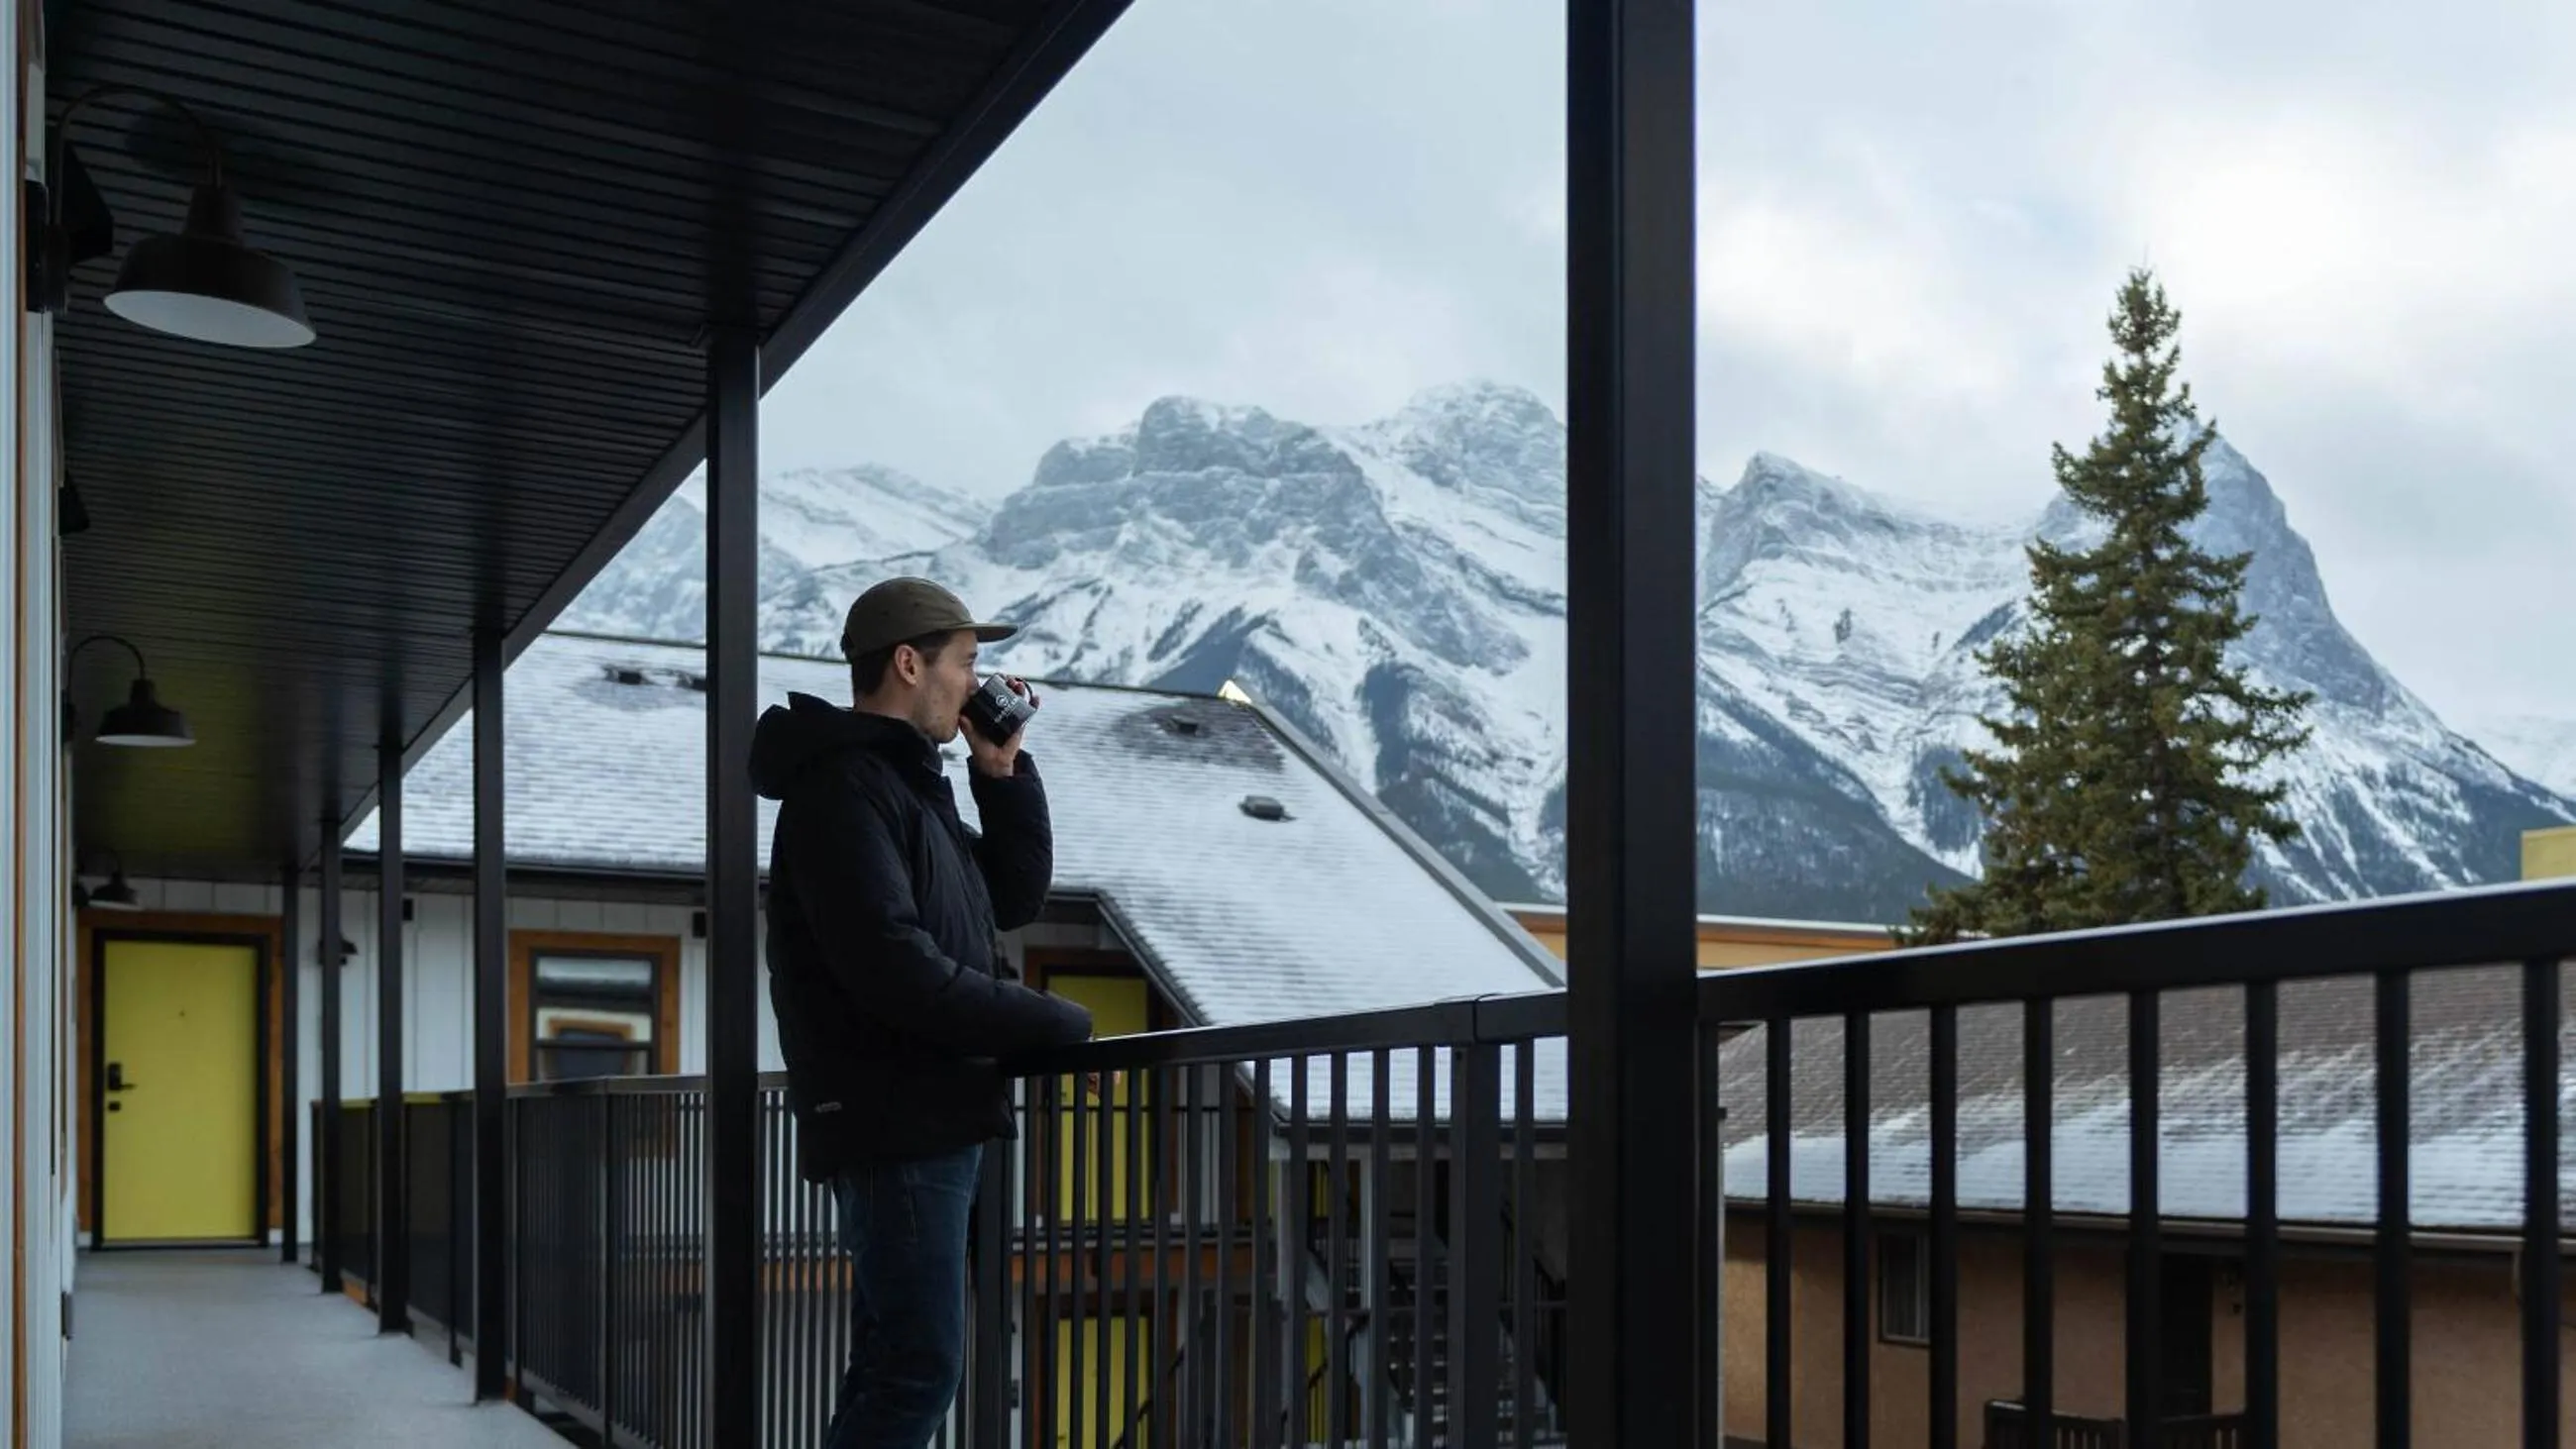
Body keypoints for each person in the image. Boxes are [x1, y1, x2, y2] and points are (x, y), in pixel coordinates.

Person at [751, 575, 1095, 1449]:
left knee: (894, 1364)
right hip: (897, 1120)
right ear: (910, 663)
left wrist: (1000, 771)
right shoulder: (845, 792)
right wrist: (1051, 1019)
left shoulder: (907, 787)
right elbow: (895, 968)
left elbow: (1010, 895)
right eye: (969, 663)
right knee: (917, 1368)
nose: (977, 683)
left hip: (927, 1116)